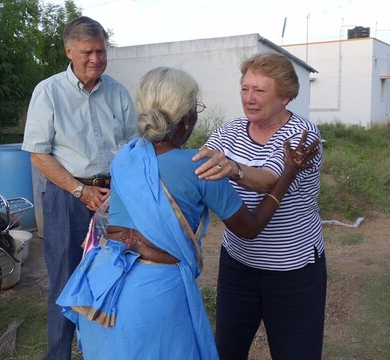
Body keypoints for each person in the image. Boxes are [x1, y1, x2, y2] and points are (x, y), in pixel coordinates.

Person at [56, 66, 319, 359]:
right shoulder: (201, 169)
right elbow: (250, 228)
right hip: (154, 294)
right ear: (185, 120)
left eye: (259, 90)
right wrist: (288, 176)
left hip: (104, 287)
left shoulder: (126, 156)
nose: (250, 97)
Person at [192, 52, 326, 359]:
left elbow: (270, 180)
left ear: (286, 97)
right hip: (238, 265)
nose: (249, 98)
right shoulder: (231, 130)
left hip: (292, 270)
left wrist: (233, 169)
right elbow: (201, 159)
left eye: (260, 90)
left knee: (295, 353)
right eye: (245, 89)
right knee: (226, 349)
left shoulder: (302, 135)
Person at [21, 16, 137, 360]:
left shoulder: (118, 92)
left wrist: (121, 189)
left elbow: (133, 147)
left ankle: (105, 352)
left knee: (115, 274)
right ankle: (59, 355)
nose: (96, 59)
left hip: (114, 197)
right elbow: (38, 155)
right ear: (68, 51)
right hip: (66, 197)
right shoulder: (49, 91)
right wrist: (79, 191)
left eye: (101, 51)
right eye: (87, 52)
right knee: (65, 279)